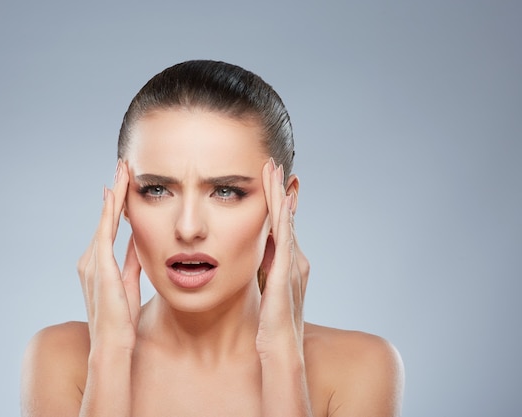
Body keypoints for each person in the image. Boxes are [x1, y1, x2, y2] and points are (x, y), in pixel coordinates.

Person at [20, 60, 404, 417]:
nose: (188, 229)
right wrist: (110, 356)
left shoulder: (360, 368)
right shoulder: (61, 358)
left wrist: (283, 356)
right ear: (122, 202)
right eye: (156, 189)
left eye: (226, 191)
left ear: (284, 204)